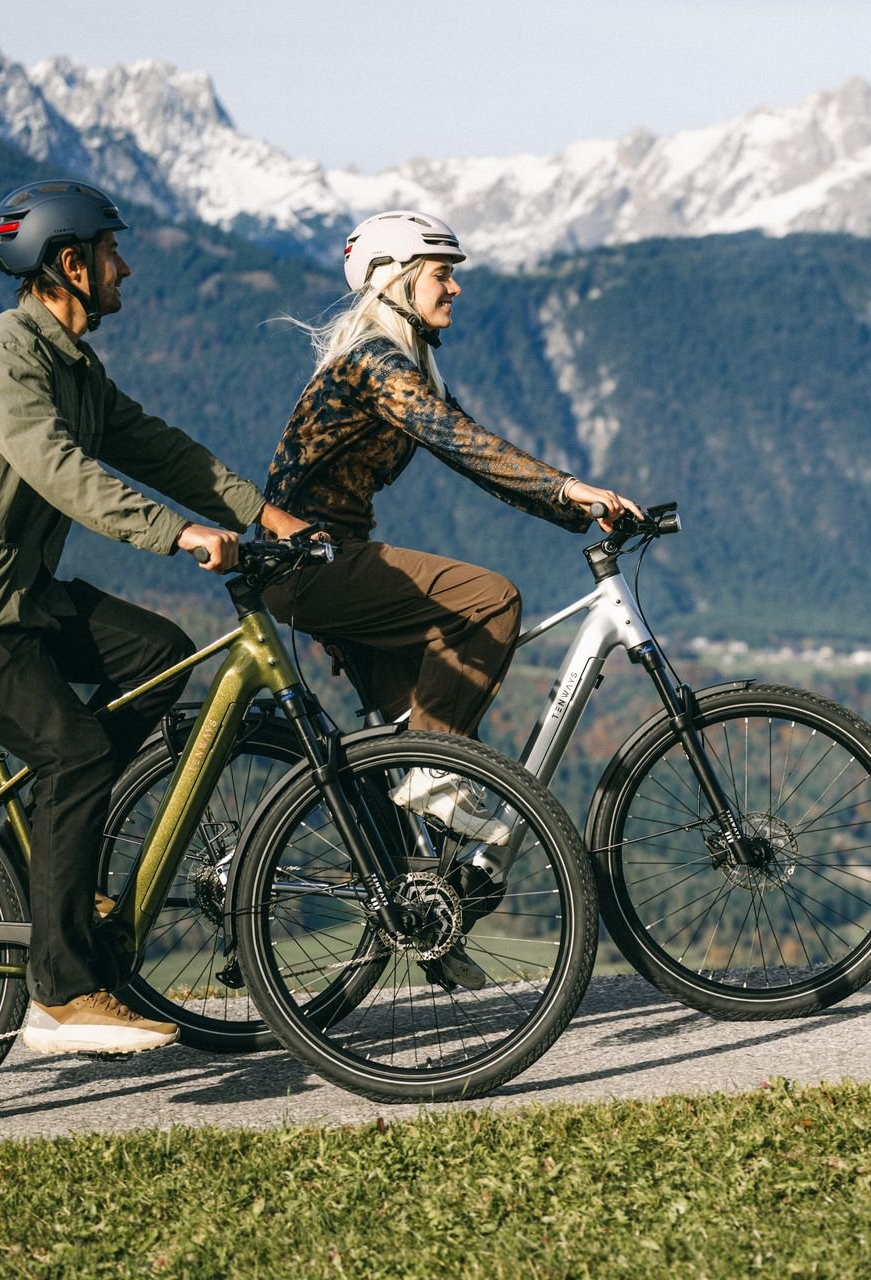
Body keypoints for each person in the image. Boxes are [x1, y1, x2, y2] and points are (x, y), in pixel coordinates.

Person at [0, 179, 310, 1055]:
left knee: (161, 654)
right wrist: (177, 533)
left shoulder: (71, 363)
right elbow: (56, 468)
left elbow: (151, 444)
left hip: (11, 591)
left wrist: (261, 511)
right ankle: (62, 991)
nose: (125, 267)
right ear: (70, 264)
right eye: (112, 253)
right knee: (74, 752)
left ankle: (54, 884)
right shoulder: (5, 358)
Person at [262, 210, 642, 988]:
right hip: (313, 562)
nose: (456, 286)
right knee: (491, 601)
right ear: (395, 279)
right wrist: (570, 487)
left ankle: (425, 928)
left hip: (326, 562)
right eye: (442, 273)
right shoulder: (374, 363)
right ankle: (434, 774)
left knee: (391, 745)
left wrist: (576, 505)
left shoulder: (402, 363)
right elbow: (458, 442)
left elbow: (472, 447)